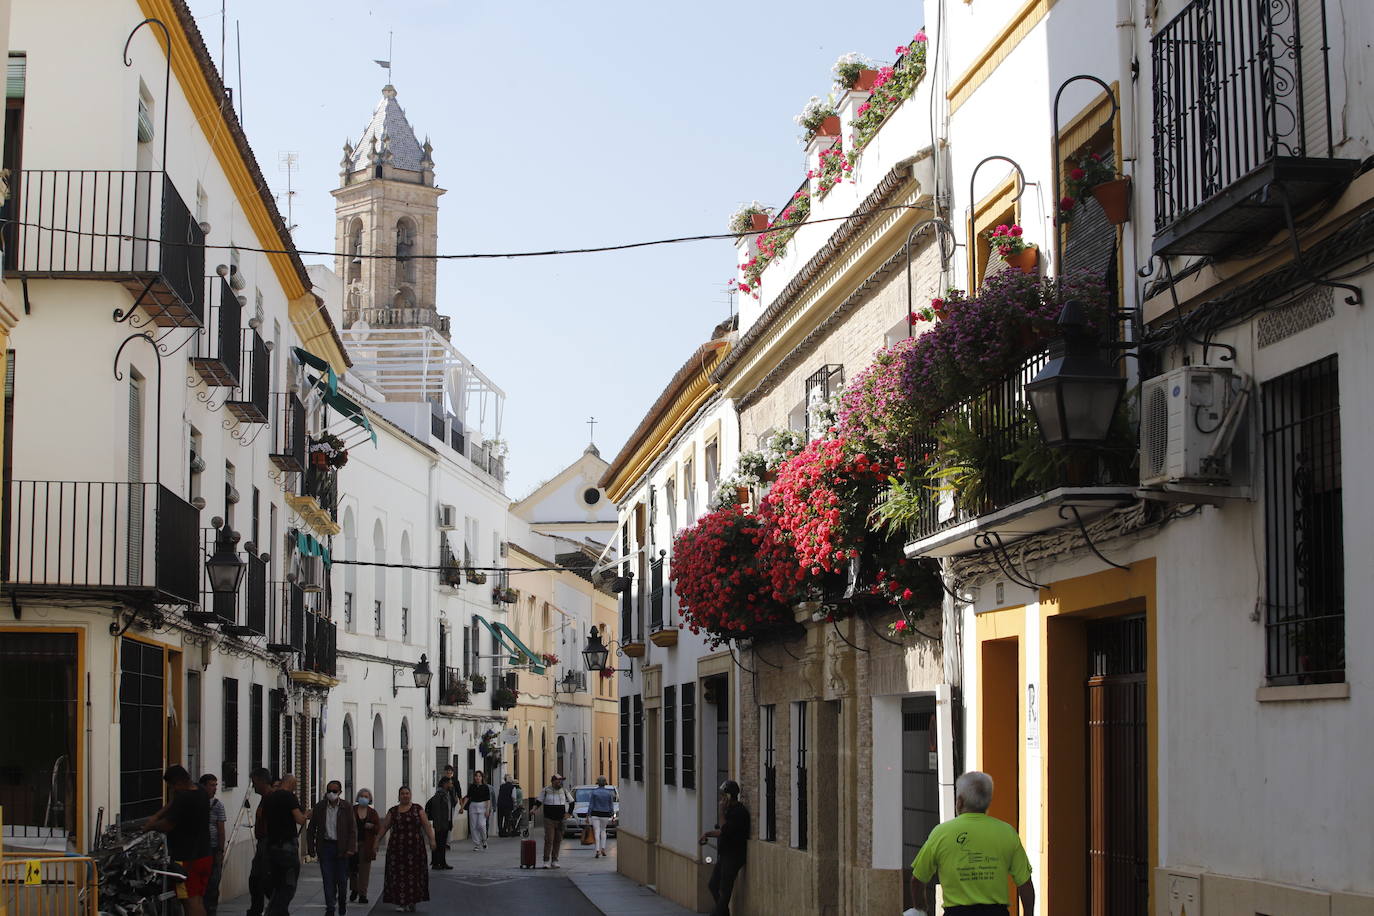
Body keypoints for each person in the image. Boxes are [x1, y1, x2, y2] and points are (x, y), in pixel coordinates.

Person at [909, 771, 1035, 916]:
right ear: (988, 801)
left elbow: (917, 880)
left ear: (960, 801)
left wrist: (921, 909)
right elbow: (1025, 883)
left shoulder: (941, 833)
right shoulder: (1007, 833)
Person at [143, 766, 212, 916]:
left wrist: (151, 826)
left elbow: (167, 825)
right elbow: (172, 803)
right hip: (205, 854)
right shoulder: (201, 791)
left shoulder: (184, 798)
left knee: (189, 902)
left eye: (172, 786)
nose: (173, 790)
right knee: (198, 900)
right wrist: (156, 816)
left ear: (178, 782)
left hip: (187, 859)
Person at [378, 786, 436, 913]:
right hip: (397, 849)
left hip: (415, 849)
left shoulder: (418, 809)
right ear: (399, 796)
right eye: (403, 794)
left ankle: (412, 901)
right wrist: (376, 841)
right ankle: (402, 902)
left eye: (407, 793)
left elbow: (426, 825)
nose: (405, 795)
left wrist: (432, 840)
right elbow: (384, 827)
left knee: (415, 874)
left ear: (410, 795)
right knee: (398, 875)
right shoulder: (393, 811)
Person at [257, 773, 308, 916]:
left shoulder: (269, 798)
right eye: (295, 785)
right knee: (288, 885)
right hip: (287, 847)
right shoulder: (289, 797)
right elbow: (299, 820)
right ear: (291, 784)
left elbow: (262, 816)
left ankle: (276, 911)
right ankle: (276, 912)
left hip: (272, 845)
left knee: (276, 884)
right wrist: (306, 816)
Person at [699, 779, 750, 916]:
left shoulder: (739, 812)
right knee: (713, 885)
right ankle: (724, 914)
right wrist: (707, 834)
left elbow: (725, 829)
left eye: (723, 796)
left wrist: (721, 812)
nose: (721, 799)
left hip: (733, 856)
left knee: (725, 892)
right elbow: (722, 831)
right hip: (725, 855)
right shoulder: (730, 811)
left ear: (729, 796)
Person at [307, 779, 358, 916]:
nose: (331, 793)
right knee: (328, 879)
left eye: (334, 791)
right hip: (326, 847)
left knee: (342, 880)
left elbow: (352, 829)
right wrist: (311, 849)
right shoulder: (320, 807)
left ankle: (342, 905)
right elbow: (311, 829)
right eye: (329, 791)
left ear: (340, 792)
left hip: (342, 847)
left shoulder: (346, 807)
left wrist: (351, 848)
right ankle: (330, 908)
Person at [245, 768, 275, 916]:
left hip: (268, 843)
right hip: (262, 842)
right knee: (255, 879)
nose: (253, 786)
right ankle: (256, 909)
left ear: (263, 782)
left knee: (264, 879)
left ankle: (274, 907)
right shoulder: (265, 797)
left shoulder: (271, 798)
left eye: (255, 782)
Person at [198, 774, 227, 916]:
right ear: (203, 786)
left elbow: (221, 829)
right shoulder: (196, 803)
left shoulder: (217, 805)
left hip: (213, 848)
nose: (215, 788)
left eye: (216, 785)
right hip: (199, 850)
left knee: (213, 884)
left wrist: (220, 851)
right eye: (211, 785)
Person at [530, 774, 572, 868]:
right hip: (549, 819)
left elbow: (572, 802)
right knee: (549, 839)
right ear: (553, 781)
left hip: (561, 819)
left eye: (561, 780)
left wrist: (568, 813)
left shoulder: (564, 791)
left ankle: (555, 860)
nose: (560, 782)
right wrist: (534, 809)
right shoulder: (546, 790)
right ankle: (546, 860)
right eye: (558, 780)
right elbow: (539, 801)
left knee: (558, 840)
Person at [348, 788, 381, 905]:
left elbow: (379, 828)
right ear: (358, 797)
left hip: (366, 845)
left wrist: (372, 827)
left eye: (366, 796)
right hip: (353, 844)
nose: (364, 798)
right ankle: (354, 889)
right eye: (362, 796)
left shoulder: (372, 813)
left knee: (364, 871)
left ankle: (363, 894)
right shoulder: (352, 810)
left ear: (370, 799)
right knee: (352, 869)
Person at [424, 778, 454, 868]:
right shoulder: (439, 795)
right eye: (450, 784)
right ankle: (436, 863)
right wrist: (437, 825)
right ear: (445, 784)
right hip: (440, 824)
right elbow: (437, 812)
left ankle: (442, 862)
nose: (451, 785)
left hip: (445, 823)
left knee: (442, 844)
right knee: (438, 843)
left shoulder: (446, 794)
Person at [460, 771, 493, 852]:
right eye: (476, 776)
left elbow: (488, 800)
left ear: (482, 778)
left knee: (481, 825)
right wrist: (462, 807)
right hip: (473, 806)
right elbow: (467, 797)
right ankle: (477, 844)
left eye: (479, 776)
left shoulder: (485, 787)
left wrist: (488, 810)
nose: (478, 778)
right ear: (474, 778)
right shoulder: (472, 787)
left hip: (482, 806)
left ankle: (484, 840)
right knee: (473, 826)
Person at [587, 776, 616, 858]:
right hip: (605, 814)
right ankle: (603, 848)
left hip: (595, 813)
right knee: (603, 830)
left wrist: (588, 814)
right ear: (605, 783)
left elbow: (591, 805)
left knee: (596, 831)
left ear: (598, 783)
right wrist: (612, 814)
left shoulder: (594, 792)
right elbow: (611, 805)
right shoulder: (608, 793)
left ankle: (597, 850)